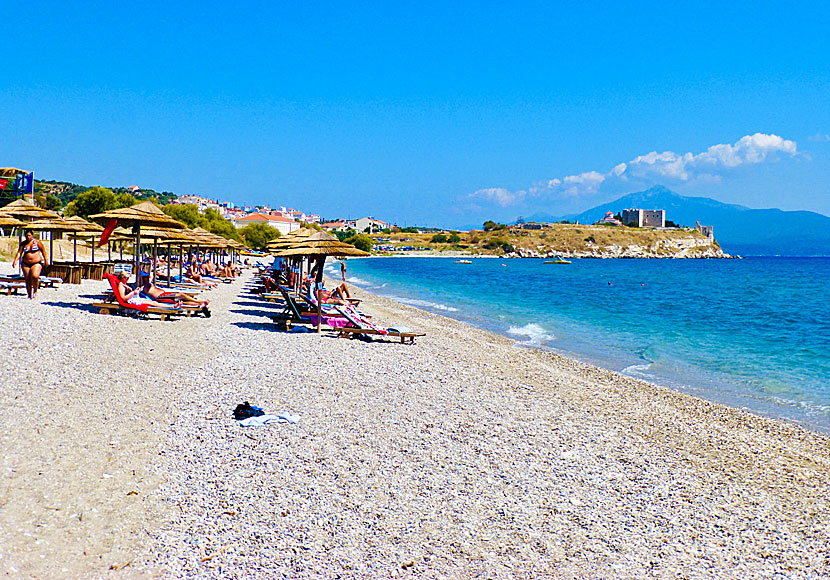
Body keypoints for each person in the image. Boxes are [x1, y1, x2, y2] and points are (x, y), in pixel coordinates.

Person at [12, 230, 48, 299]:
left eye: (29, 235)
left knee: (35, 276)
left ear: (32, 235)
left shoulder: (37, 242)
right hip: (26, 263)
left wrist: (46, 260)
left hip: (36, 262)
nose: (28, 237)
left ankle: (35, 291)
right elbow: (19, 252)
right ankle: (29, 294)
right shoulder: (23, 244)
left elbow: (43, 251)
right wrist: (15, 261)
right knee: (27, 278)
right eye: (27, 236)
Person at [115, 271, 181, 308]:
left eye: (128, 278)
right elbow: (123, 298)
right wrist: (133, 293)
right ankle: (172, 306)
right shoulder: (121, 286)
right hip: (132, 301)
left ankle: (172, 306)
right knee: (152, 303)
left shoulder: (124, 284)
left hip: (135, 298)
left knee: (154, 302)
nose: (127, 279)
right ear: (122, 277)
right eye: (126, 278)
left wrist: (136, 291)